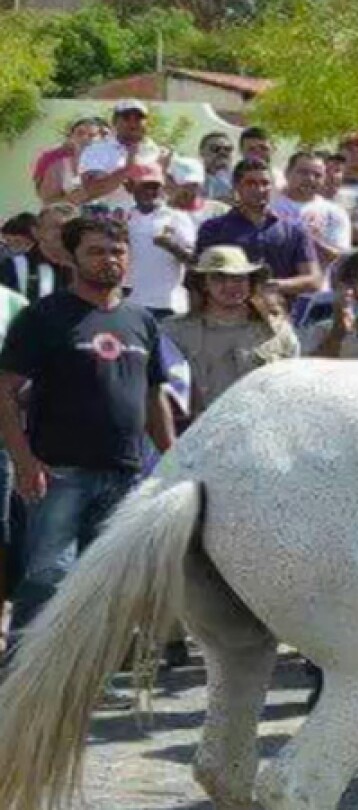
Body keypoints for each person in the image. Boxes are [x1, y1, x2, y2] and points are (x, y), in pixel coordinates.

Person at [0, 217, 176, 675]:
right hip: (58, 471)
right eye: (96, 251)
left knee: (102, 582)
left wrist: (174, 461)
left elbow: (154, 395)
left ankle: (85, 675)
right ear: (72, 257)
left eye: (117, 251)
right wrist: (23, 459)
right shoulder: (43, 317)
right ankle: (22, 672)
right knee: (47, 576)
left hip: (124, 472)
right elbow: (5, 389)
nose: (109, 260)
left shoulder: (142, 320)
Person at [163, 246, 300, 417]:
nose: (230, 285)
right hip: (200, 432)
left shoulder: (277, 333)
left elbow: (293, 390)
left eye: (238, 278)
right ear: (203, 284)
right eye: (218, 278)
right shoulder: (175, 332)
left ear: (250, 283)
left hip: (262, 430)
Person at [196, 158, 322, 309]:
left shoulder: (294, 230)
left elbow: (314, 280)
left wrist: (272, 286)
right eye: (251, 183)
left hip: (279, 317)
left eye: (265, 183)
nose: (260, 189)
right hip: (228, 319)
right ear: (236, 187)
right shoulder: (214, 229)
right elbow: (199, 278)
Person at [124, 163, 197, 319]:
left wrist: (171, 246)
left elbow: (195, 261)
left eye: (155, 186)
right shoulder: (125, 218)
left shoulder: (176, 217)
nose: (150, 192)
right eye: (144, 186)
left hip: (167, 306)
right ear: (131, 187)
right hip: (132, 304)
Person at [78, 99, 166, 211]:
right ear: (114, 122)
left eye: (139, 118)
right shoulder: (96, 150)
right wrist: (128, 168)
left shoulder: (157, 151)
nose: (133, 123)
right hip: (108, 218)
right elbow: (92, 190)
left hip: (147, 221)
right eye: (126, 117)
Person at [271, 151, 353, 268]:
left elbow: (342, 259)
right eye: (303, 173)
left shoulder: (335, 213)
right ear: (287, 173)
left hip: (320, 284)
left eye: (317, 175)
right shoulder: (270, 207)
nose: (310, 179)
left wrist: (307, 239)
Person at [1, 204, 78, 301]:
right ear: (37, 231)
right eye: (56, 227)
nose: (63, 233)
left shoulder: (84, 269)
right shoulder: (12, 267)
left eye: (70, 228)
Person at [34, 118, 104, 205]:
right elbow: (48, 201)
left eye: (92, 135)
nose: (85, 138)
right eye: (80, 133)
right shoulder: (58, 166)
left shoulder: (114, 163)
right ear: (71, 136)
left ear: (102, 140)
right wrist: (75, 197)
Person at [199, 131, 235, 203]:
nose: (222, 152)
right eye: (215, 148)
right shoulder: (192, 177)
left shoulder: (240, 181)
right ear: (202, 152)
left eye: (227, 149)